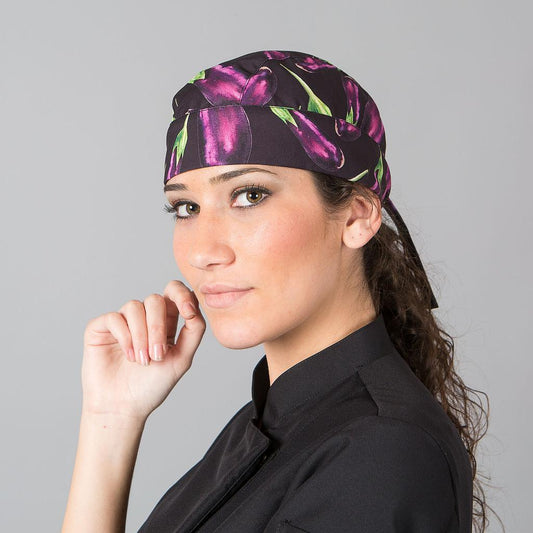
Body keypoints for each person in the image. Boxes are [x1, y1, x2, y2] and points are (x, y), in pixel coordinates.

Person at [62, 50, 490, 532]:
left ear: (357, 216)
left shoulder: (378, 453)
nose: (203, 251)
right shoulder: (273, 421)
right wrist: (110, 418)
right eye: (186, 208)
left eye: (250, 195)